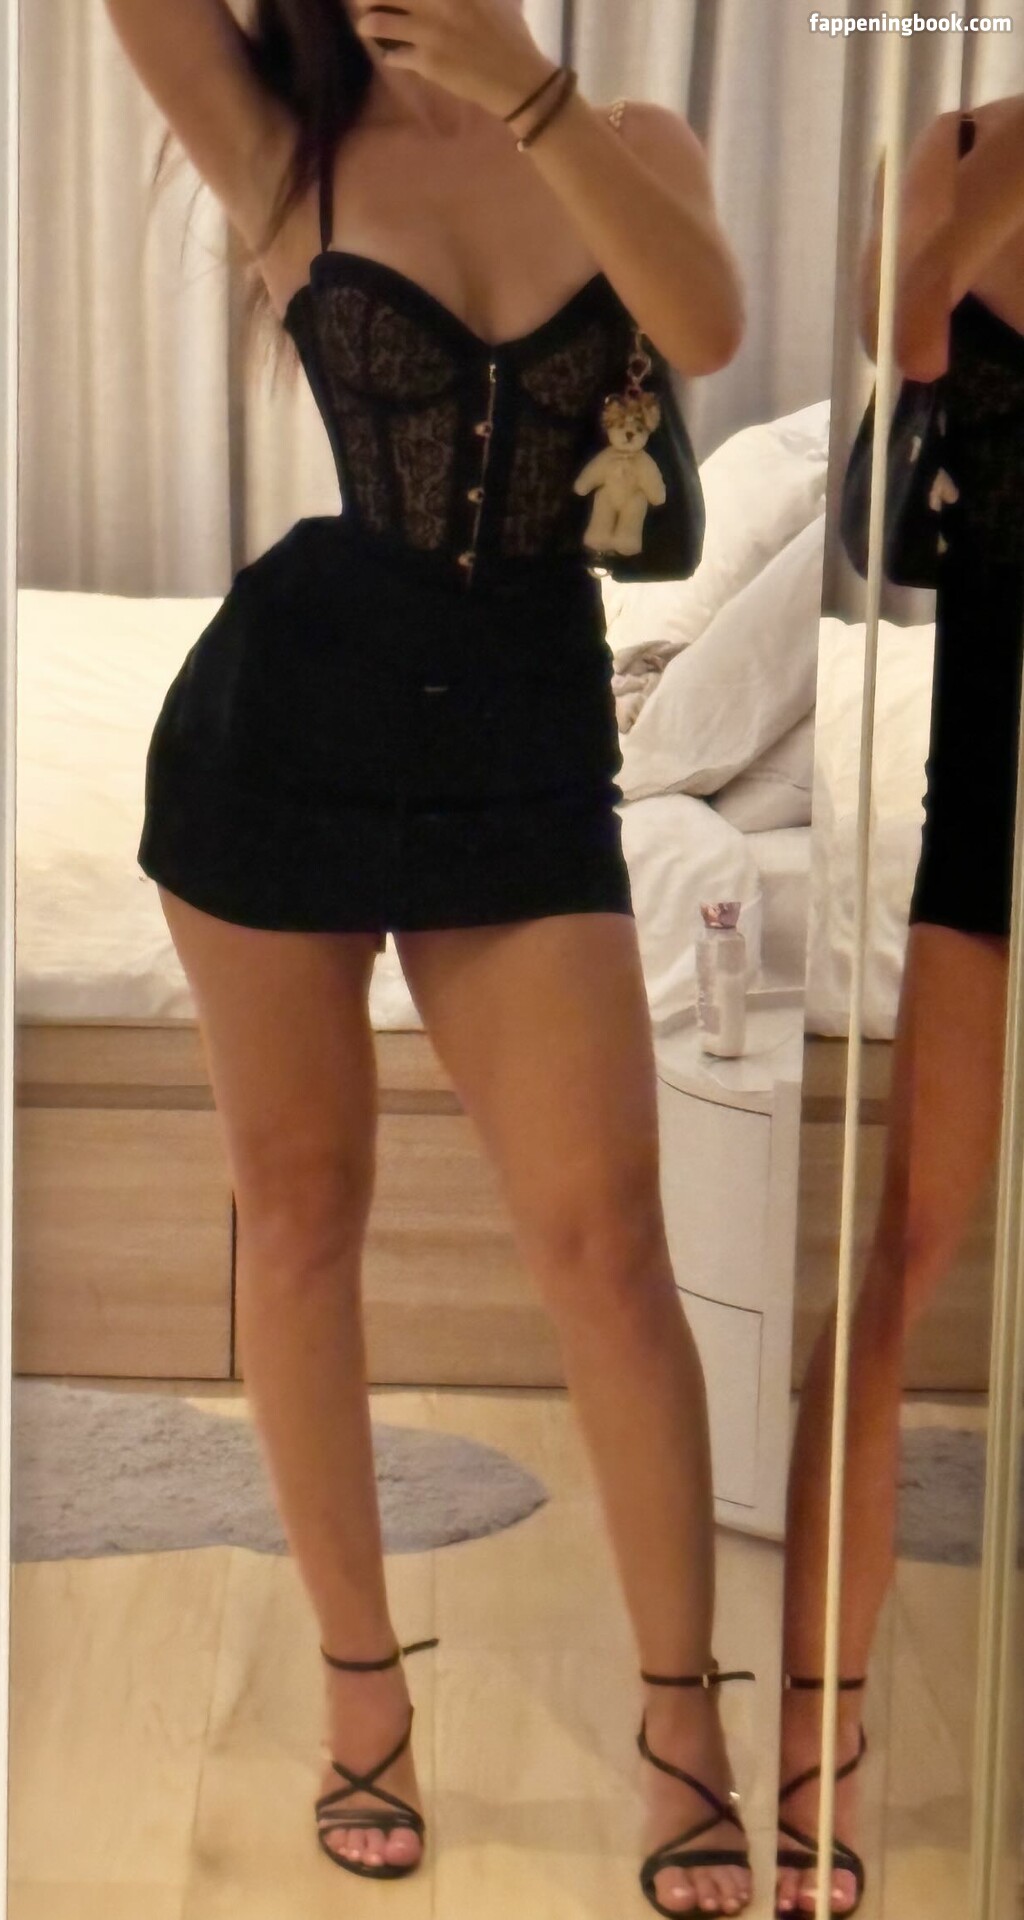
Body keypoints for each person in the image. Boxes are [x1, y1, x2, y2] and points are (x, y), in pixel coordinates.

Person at [103, 2, 751, 1914]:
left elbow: (706, 329)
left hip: (523, 746)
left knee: (605, 1244)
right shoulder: (280, 141)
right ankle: (361, 1694)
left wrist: (520, 87)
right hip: (279, 736)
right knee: (302, 1218)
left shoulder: (630, 134)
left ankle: (684, 1727)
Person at [777, 95, 1024, 1919]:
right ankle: (820, 1735)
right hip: (992, 812)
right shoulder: (960, 147)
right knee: (911, 1246)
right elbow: (899, 319)